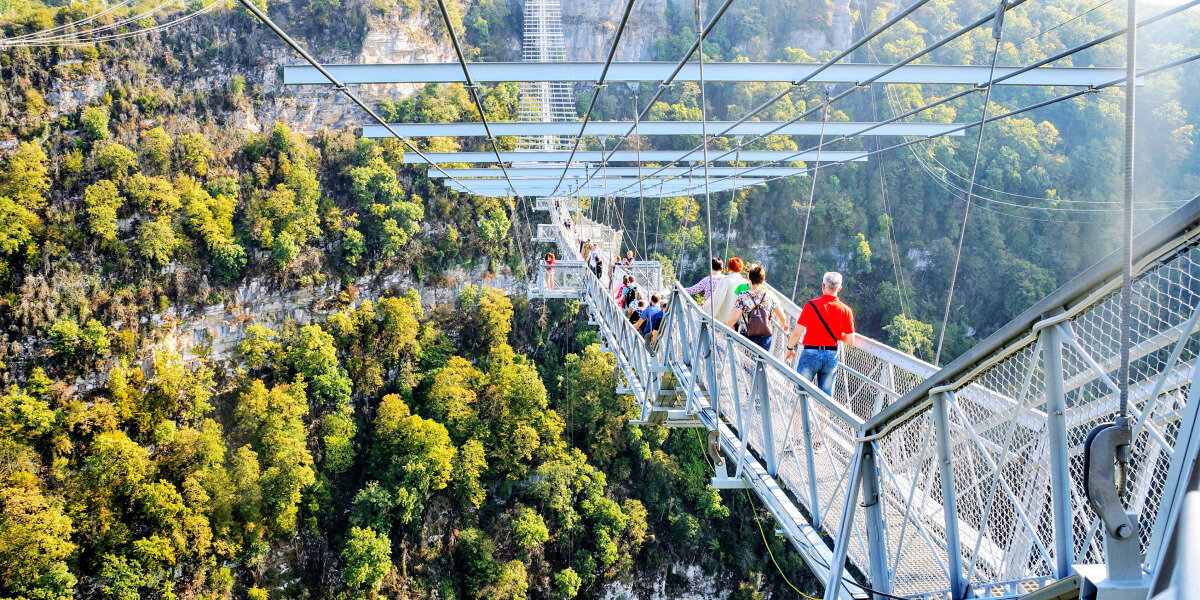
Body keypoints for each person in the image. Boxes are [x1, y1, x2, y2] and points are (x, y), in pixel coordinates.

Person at [785, 271, 856, 397]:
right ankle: (821, 416)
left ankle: (802, 416)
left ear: (823, 286)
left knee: (801, 393)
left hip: (810, 353)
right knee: (825, 398)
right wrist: (838, 335)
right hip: (831, 356)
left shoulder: (811, 305)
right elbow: (850, 340)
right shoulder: (846, 310)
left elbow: (797, 333)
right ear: (839, 289)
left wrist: (790, 348)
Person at [725, 265, 788, 351]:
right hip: (764, 336)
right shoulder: (770, 295)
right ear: (763, 280)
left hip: (747, 334)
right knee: (761, 362)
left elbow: (735, 318)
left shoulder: (743, 295)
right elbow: (783, 317)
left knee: (745, 362)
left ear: (750, 280)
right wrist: (783, 325)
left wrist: (726, 327)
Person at [710, 257, 749, 324]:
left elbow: (716, 300)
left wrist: (705, 308)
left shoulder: (725, 280)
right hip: (739, 320)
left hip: (724, 320)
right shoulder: (746, 282)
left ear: (729, 267)